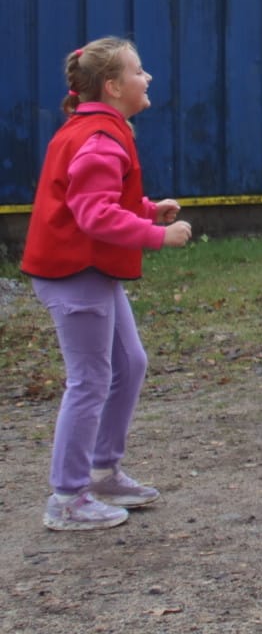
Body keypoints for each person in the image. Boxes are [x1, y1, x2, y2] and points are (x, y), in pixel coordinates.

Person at [21, 37, 191, 530]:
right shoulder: (99, 137)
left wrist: (146, 209)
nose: (147, 78)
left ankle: (102, 471)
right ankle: (67, 497)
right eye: (139, 71)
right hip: (75, 275)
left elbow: (98, 198)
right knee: (90, 379)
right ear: (113, 87)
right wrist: (158, 235)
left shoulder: (99, 129)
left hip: (91, 272)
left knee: (129, 363)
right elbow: (94, 214)